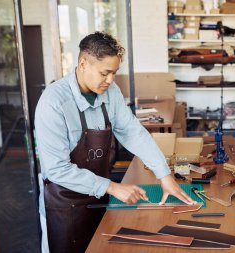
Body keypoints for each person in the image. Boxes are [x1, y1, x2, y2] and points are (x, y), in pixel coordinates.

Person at [35, 31, 194, 253]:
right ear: (83, 64)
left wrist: (164, 174)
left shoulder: (111, 92)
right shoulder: (53, 102)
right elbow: (56, 170)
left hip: (100, 197)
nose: (110, 80)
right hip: (64, 206)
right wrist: (111, 187)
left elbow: (132, 132)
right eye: (105, 73)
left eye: (114, 73)